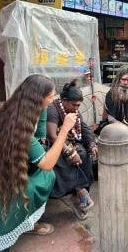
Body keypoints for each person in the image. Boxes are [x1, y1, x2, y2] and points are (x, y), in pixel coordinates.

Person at [0, 74, 76, 252]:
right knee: (44, 177)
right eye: (51, 96)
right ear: (38, 98)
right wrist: (64, 129)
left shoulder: (25, 109)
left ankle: (29, 221)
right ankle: (21, 224)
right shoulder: (19, 127)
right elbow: (46, 164)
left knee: (46, 176)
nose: (54, 99)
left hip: (14, 168)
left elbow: (41, 131)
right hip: (5, 179)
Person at [47, 80, 97, 220]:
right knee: (67, 159)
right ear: (64, 100)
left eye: (78, 105)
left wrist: (92, 144)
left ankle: (80, 192)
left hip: (68, 143)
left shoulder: (72, 110)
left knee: (85, 154)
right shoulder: (52, 109)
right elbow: (51, 136)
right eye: (74, 105)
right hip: (51, 146)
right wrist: (70, 152)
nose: (76, 108)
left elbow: (84, 128)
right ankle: (78, 193)